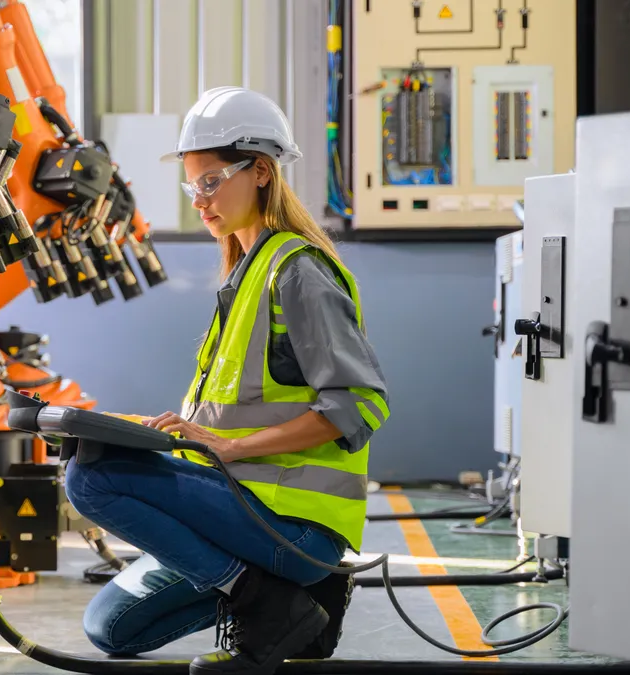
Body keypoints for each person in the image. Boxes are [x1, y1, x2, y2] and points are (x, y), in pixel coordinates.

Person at [62, 86, 390, 675]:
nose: (200, 201)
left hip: (294, 524)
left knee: (89, 477)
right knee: (110, 627)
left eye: (211, 182)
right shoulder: (243, 275)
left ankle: (264, 603)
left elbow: (360, 406)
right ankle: (289, 602)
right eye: (194, 187)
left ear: (261, 171)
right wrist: (163, 433)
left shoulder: (297, 272)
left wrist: (231, 447)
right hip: (239, 508)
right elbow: (229, 414)